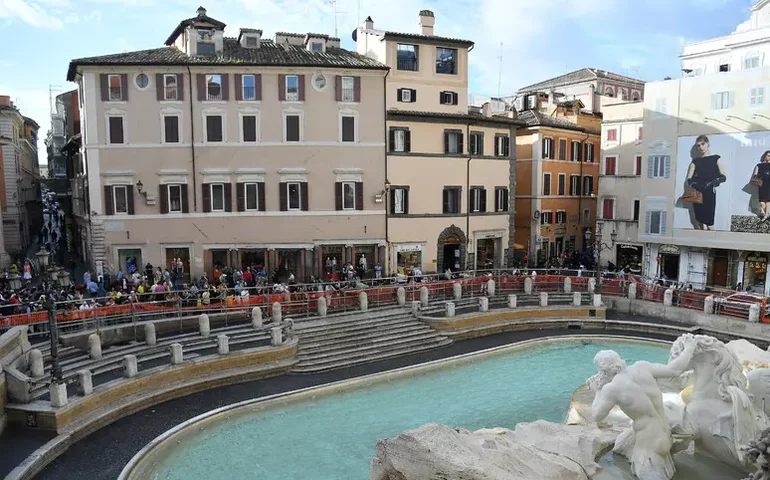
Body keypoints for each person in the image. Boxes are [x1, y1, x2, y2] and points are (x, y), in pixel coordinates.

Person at [588, 338, 697, 480]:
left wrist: (597, 391)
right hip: (665, 432)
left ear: (602, 371)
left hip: (649, 445)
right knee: (622, 445)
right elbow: (675, 370)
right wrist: (689, 348)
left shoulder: (612, 389)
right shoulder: (642, 366)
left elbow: (597, 416)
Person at [685, 135, 727, 230]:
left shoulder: (716, 158)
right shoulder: (695, 161)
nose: (701, 147)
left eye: (702, 144)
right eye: (698, 145)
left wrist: (715, 182)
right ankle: (701, 240)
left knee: (709, 222)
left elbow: (723, 176)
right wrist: (696, 184)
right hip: (698, 193)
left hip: (709, 192)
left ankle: (711, 242)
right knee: (698, 220)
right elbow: (689, 179)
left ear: (708, 144)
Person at [751, 150, 770, 222]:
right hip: (762, 184)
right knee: (762, 202)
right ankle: (766, 214)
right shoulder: (759, 165)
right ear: (765, 156)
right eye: (768, 155)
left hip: (769, 185)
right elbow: (755, 174)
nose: (769, 157)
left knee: (768, 201)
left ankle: (766, 215)